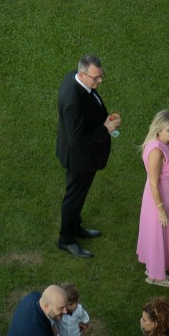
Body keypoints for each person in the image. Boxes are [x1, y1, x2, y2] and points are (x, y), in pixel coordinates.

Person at [56, 54, 120, 258]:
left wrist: (104, 119)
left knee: (79, 195)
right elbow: (77, 140)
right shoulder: (72, 101)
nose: (100, 81)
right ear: (82, 75)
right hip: (78, 159)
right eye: (96, 78)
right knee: (73, 197)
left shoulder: (76, 79)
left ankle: (75, 227)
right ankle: (66, 239)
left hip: (84, 157)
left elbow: (90, 107)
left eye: (100, 76)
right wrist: (105, 129)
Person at [136, 110, 169, 288]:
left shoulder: (168, 143)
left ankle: (154, 265)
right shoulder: (156, 151)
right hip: (159, 199)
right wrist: (161, 209)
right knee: (158, 234)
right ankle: (156, 276)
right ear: (158, 131)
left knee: (161, 234)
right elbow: (154, 183)